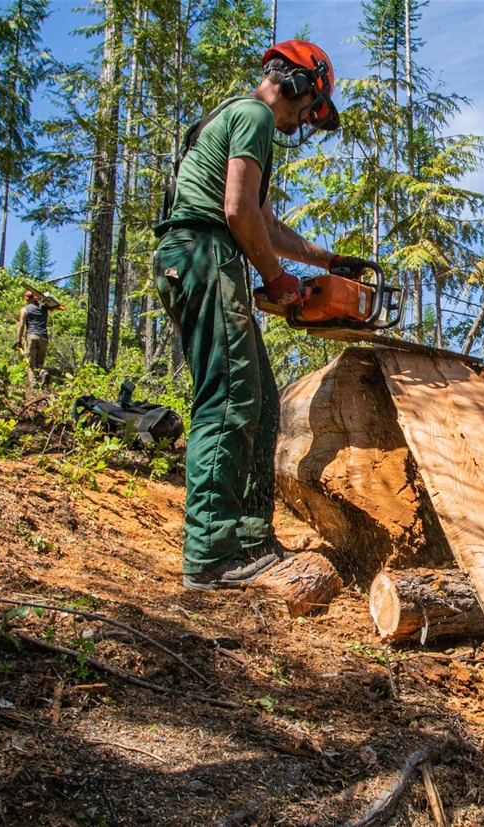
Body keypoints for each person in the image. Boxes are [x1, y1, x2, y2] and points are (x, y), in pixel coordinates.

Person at [153, 39, 363, 591]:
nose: (303, 120)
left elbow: (263, 222)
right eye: (308, 107)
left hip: (203, 254)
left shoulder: (238, 121)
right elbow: (237, 211)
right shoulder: (252, 115)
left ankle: (249, 538)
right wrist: (275, 279)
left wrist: (327, 261)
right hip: (203, 251)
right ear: (295, 82)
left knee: (261, 398)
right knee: (228, 397)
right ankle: (210, 552)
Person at [16, 290, 57, 387]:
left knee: (29, 363)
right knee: (39, 362)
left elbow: (21, 325)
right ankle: (43, 373)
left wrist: (18, 340)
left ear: (27, 298)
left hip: (32, 336)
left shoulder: (25, 309)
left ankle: (34, 385)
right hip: (44, 338)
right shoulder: (44, 309)